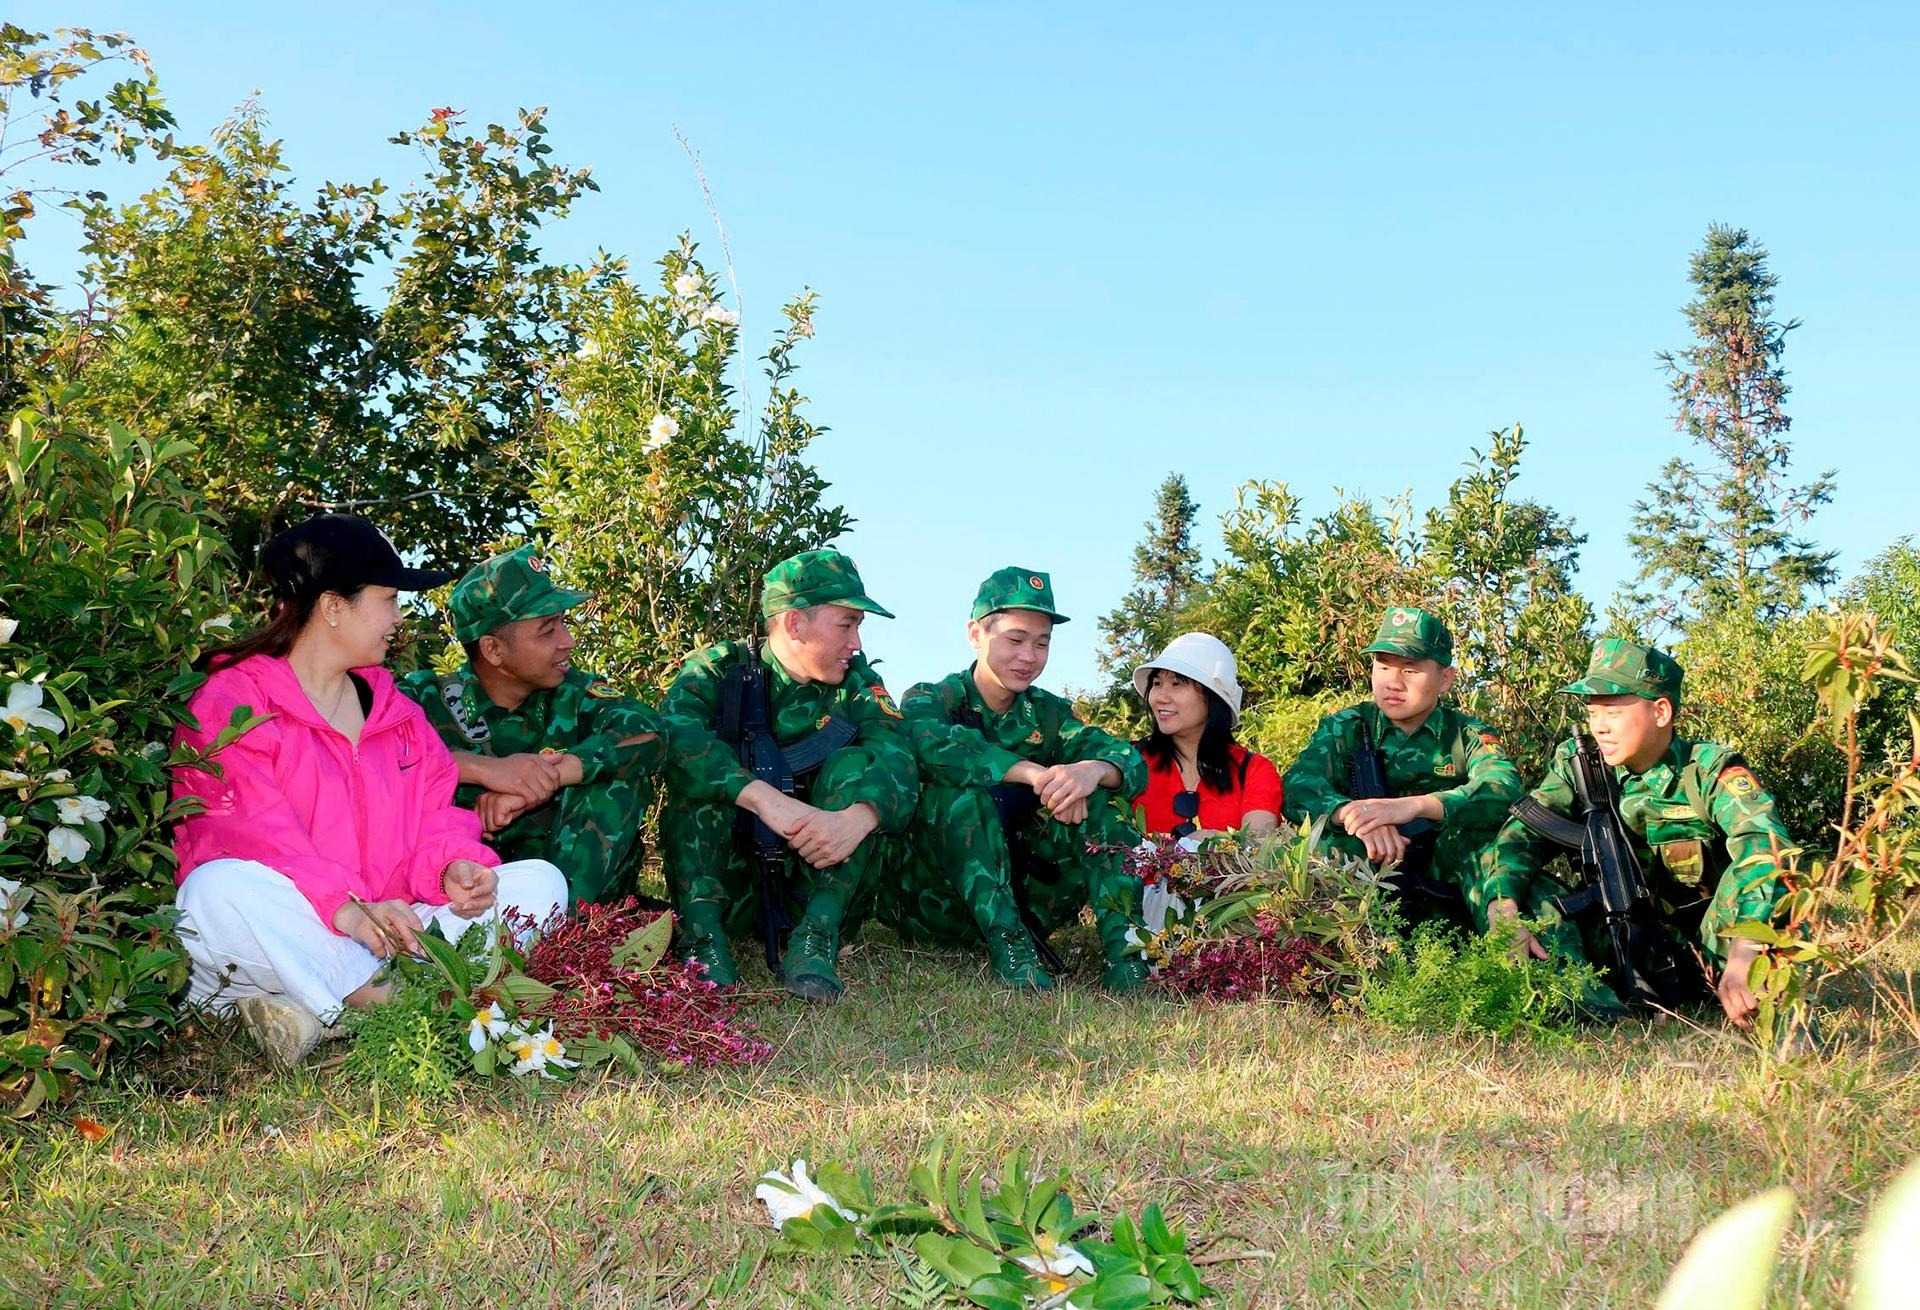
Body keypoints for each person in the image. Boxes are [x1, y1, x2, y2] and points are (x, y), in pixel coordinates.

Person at [171, 515, 568, 1068]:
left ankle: (319, 1007)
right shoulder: (233, 700)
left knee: (539, 883)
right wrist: (347, 908)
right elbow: (244, 834)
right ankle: (407, 1005)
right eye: (388, 599)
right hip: (296, 928)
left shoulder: (396, 713)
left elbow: (436, 816)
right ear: (334, 606)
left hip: (389, 935)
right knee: (214, 891)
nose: (398, 618)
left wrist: (451, 867)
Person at [399, 545, 811, 908]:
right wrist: (480, 769)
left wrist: (544, 779)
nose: (567, 641)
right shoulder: (421, 700)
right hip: (455, 885)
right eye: (547, 630)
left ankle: (561, 932)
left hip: (575, 883)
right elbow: (367, 764)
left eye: (564, 623)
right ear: (493, 649)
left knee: (615, 781)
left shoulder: (575, 691)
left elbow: (652, 734)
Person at [1483, 639, 1794, 1025]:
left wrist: (1746, 950)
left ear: (1660, 711)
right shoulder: (1581, 764)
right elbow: (1523, 835)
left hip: (1711, 950)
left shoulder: (1708, 771)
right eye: (1592, 710)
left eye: (1612, 709)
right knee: (1520, 885)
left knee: (1768, 876)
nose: (1599, 725)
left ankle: (1763, 1002)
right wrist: (1503, 904)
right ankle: (1586, 1002)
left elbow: (1769, 850)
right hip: (1617, 943)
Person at [659, 549, 918, 1002]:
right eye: (847, 624)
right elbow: (673, 739)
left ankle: (816, 937)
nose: (856, 643)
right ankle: (702, 940)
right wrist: (759, 796)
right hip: (730, 885)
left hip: (818, 884)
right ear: (796, 624)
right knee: (702, 773)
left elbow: (899, 755)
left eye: (859, 627)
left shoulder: (857, 683)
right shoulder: (719, 670)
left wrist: (858, 818)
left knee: (857, 766)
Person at [879, 567, 1148, 992]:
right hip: (935, 901)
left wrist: (1090, 772)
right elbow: (931, 745)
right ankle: (1011, 949)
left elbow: (1127, 760)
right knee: (958, 796)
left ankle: (1128, 955)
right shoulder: (932, 698)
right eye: (1016, 639)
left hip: (1031, 893)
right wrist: (1036, 775)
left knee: (1103, 800)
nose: (1029, 656)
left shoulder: (1050, 714)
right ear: (975, 634)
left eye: (1043, 643)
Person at [1282, 606, 1523, 931]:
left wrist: (1417, 806)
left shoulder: (1466, 734)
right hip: (1365, 881)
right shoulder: (1346, 728)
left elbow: (1502, 787)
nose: (1392, 682)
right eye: (1382, 667)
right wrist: (1356, 815)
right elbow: (1298, 787)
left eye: (1410, 670)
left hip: (1448, 878)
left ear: (1445, 678)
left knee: (1488, 848)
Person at [1131, 633, 1281, 841]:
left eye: (1177, 684)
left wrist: (1218, 844)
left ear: (1212, 698)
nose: (1160, 698)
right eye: (1157, 683)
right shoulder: (1130, 763)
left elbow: (1257, 845)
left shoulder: (1253, 770)